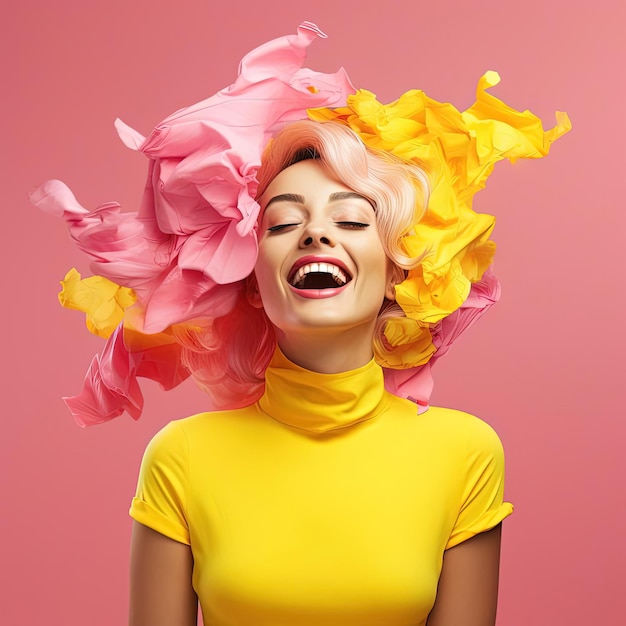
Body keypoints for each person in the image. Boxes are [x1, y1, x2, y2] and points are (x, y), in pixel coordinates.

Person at [31, 22, 570, 626]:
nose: (316, 233)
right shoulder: (181, 457)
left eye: (352, 221)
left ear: (396, 275)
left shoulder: (465, 451)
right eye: (283, 224)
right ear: (253, 285)